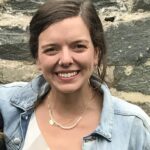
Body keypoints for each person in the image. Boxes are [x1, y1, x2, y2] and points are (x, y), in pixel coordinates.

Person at [0, 0, 150, 149]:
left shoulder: (133, 127)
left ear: (96, 54)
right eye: (51, 49)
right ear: (38, 59)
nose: (65, 60)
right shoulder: (7, 105)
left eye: (78, 46)